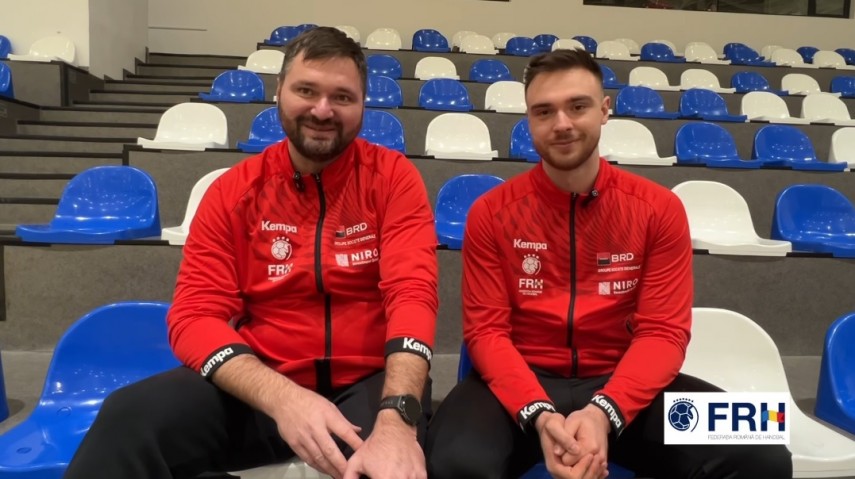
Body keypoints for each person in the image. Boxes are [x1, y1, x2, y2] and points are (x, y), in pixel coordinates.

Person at [65, 27, 438, 479]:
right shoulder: (232, 192)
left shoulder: (393, 178)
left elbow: (412, 295)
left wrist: (398, 417)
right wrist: (283, 397)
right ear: (279, 92)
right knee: (127, 418)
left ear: (363, 105)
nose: (323, 110)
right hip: (262, 382)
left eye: (342, 97)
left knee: (386, 468)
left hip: (368, 384)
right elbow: (193, 316)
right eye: (306, 90)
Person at [424, 49, 792, 479]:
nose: (561, 123)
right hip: (520, 389)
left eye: (577, 106)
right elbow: (486, 333)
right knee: (451, 461)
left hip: (627, 387)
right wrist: (540, 415)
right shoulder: (492, 212)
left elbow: (665, 333)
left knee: (765, 442)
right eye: (544, 111)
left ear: (604, 111)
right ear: (528, 121)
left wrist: (605, 411)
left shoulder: (659, 208)